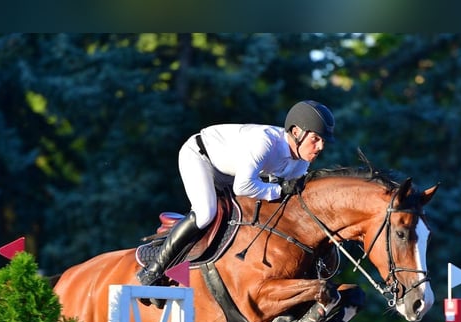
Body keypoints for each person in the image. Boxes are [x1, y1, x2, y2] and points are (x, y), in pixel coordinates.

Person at [136, 99, 336, 286]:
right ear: (296, 132)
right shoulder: (265, 143)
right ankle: (155, 268)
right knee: (206, 213)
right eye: (316, 139)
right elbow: (244, 187)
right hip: (200, 156)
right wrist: (279, 189)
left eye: (323, 142)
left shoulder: (302, 161)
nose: (320, 147)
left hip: (230, 173)